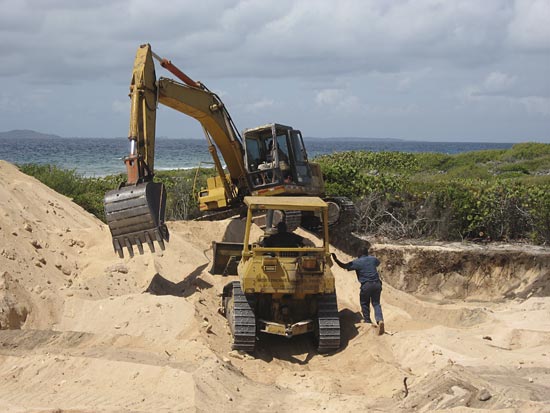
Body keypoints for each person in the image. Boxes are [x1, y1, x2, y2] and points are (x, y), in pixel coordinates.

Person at [331, 247, 385, 335]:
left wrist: (336, 260)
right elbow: (378, 263)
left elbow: (345, 266)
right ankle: (380, 320)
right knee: (376, 303)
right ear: (367, 253)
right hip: (377, 284)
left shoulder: (357, 262)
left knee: (364, 303)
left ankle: (368, 322)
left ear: (359, 254)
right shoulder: (373, 259)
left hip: (367, 285)